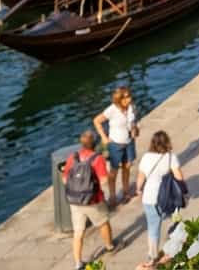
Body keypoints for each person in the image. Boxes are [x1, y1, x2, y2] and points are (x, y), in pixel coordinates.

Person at [63, 130, 116, 270]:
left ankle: (78, 263)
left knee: (78, 232)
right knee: (103, 223)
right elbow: (103, 180)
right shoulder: (97, 159)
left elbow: (64, 179)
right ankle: (109, 246)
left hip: (75, 201)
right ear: (95, 144)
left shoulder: (72, 157)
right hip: (93, 200)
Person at [135, 130, 185, 270]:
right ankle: (175, 248)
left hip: (149, 198)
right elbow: (179, 177)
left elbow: (141, 177)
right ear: (167, 142)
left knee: (153, 228)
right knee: (175, 221)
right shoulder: (170, 157)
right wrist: (183, 192)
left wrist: (138, 190)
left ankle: (152, 257)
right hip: (168, 197)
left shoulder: (146, 157)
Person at [91, 86, 138, 207]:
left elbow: (132, 121)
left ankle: (126, 192)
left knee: (127, 166)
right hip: (116, 144)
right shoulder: (112, 110)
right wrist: (104, 137)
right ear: (119, 99)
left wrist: (134, 129)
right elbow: (96, 121)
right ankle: (112, 196)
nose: (129, 99)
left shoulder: (132, 107)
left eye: (129, 96)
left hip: (129, 142)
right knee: (114, 170)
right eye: (126, 97)